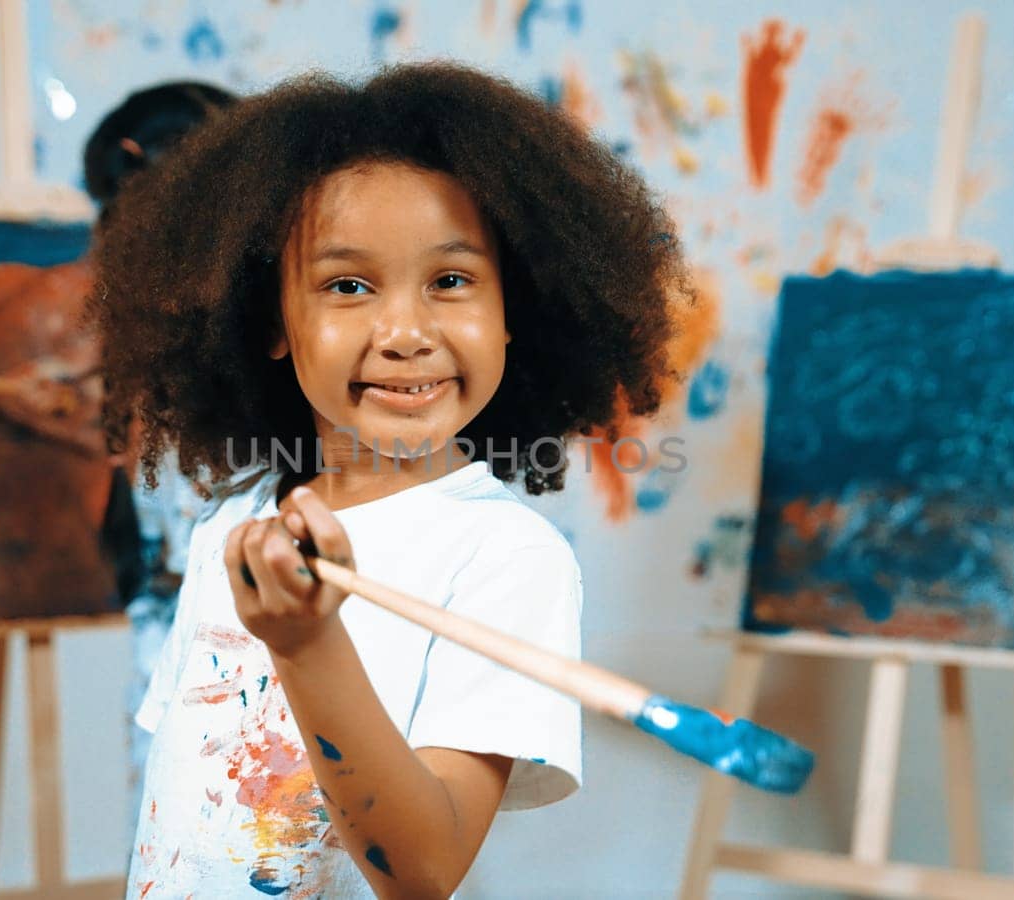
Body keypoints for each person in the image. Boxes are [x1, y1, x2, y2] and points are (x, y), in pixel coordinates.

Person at [88, 61, 694, 899]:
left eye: (450, 281)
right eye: (347, 285)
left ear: (515, 311)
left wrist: (306, 646)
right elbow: (181, 817)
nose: (405, 331)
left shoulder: (506, 558)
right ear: (270, 320)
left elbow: (423, 871)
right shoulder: (234, 527)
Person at [80, 79, 239, 823]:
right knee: (168, 824)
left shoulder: (272, 323)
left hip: (268, 645)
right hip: (169, 631)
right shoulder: (139, 339)